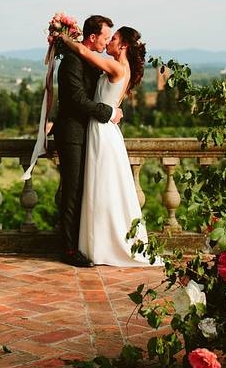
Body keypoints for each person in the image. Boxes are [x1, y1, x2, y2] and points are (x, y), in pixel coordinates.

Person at [61, 25, 162, 268]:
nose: (109, 42)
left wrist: (63, 38)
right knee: (99, 189)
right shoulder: (118, 67)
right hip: (99, 129)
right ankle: (96, 244)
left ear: (124, 45)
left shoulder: (117, 67)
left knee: (102, 188)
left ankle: (102, 245)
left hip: (102, 131)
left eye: (113, 38)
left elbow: (85, 54)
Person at [53, 15, 123, 267]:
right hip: (72, 134)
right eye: (105, 37)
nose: (106, 42)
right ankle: (69, 250)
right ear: (92, 37)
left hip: (91, 136)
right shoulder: (72, 62)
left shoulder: (89, 60)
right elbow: (77, 101)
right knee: (72, 191)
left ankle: (84, 243)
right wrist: (110, 113)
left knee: (86, 189)